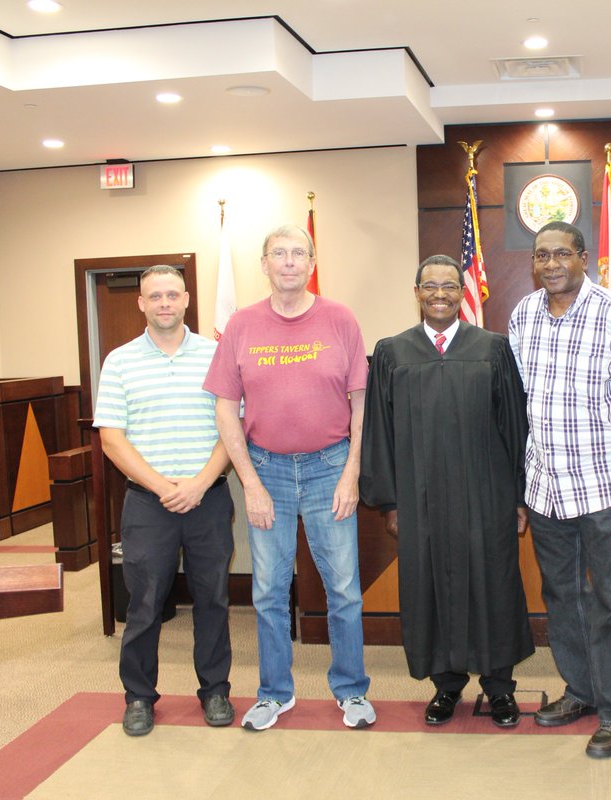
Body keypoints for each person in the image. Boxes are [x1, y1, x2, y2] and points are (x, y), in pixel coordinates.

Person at [204, 224, 375, 732]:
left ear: (312, 261)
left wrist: (352, 472)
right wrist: (251, 483)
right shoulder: (240, 326)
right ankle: (274, 693)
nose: (289, 262)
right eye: (279, 254)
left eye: (298, 253)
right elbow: (224, 410)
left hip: (329, 467)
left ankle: (351, 691)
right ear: (264, 263)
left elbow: (360, 403)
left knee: (343, 588)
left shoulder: (340, 319)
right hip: (267, 470)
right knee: (269, 589)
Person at [360, 255, 533, 728]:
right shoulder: (392, 352)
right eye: (430, 286)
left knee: (493, 584)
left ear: (463, 293)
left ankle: (499, 688)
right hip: (421, 499)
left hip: (488, 495)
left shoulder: (493, 349)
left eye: (449, 286)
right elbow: (379, 432)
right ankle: (446, 686)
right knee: (430, 586)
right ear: (416, 292)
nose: (440, 293)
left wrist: (519, 497)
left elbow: (515, 426)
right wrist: (390, 501)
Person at [508, 221, 611, 759]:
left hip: (606, 488)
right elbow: (521, 408)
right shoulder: (523, 316)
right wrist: (522, 487)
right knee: (562, 598)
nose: (551, 264)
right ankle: (581, 690)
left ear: (584, 258)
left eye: (562, 254)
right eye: (541, 255)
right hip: (546, 487)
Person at [94, 265, 234, 736]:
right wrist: (162, 486)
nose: (165, 304)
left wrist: (197, 483)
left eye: (172, 295)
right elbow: (112, 440)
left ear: (187, 299)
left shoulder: (217, 355)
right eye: (155, 296)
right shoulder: (119, 361)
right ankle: (138, 696)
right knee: (144, 603)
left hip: (207, 498)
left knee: (213, 598)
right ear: (141, 303)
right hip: (147, 504)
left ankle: (215, 689)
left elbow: (232, 431)